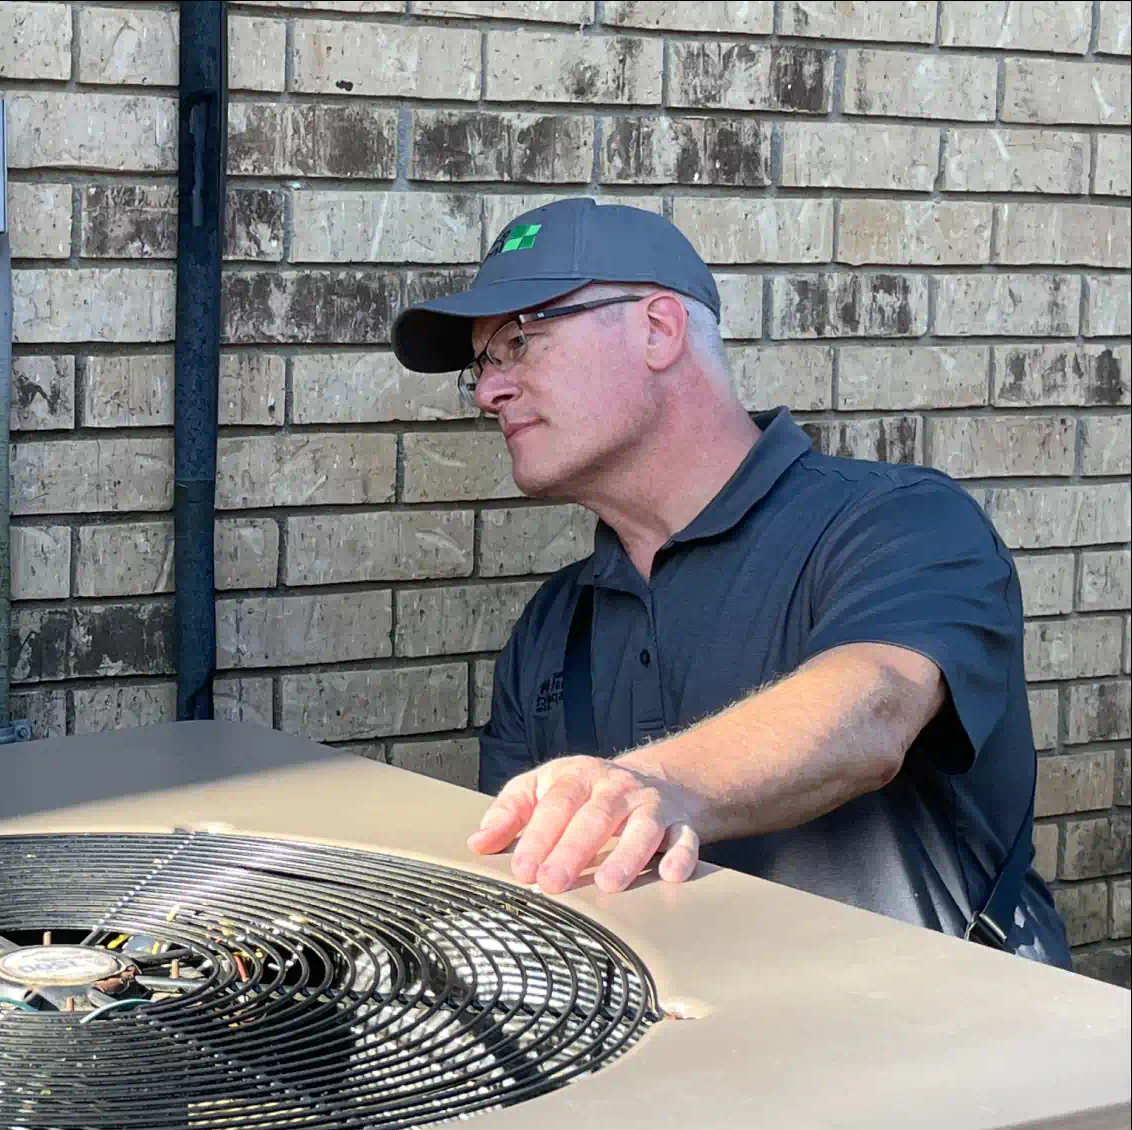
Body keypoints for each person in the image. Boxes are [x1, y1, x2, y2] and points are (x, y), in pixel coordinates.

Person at [387, 196, 1070, 966]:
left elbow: (875, 701)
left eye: (518, 342)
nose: (489, 392)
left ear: (658, 329)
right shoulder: (551, 628)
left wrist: (648, 785)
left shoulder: (898, 522)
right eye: (481, 365)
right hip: (680, 1039)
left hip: (935, 1028)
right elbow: (527, 880)